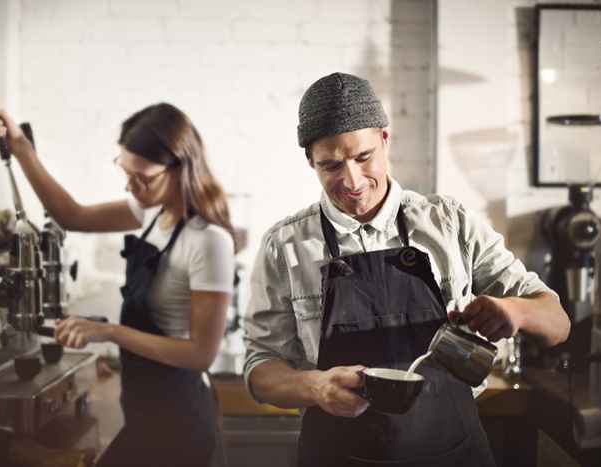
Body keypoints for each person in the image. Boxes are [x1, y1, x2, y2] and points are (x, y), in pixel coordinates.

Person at [243, 72, 570, 467]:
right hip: (336, 455)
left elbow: (557, 323)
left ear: (384, 139)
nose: (352, 181)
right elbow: (261, 369)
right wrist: (314, 386)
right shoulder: (286, 245)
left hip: (453, 453)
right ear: (310, 161)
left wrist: (515, 311)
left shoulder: (450, 223)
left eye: (363, 157)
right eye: (330, 165)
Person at [0, 103, 235, 467]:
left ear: (181, 168)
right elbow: (72, 215)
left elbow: (200, 354)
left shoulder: (208, 241)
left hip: (181, 418)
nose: (130, 186)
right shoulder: (149, 213)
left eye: (142, 177)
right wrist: (20, 147)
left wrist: (110, 332)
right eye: (124, 170)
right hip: (142, 409)